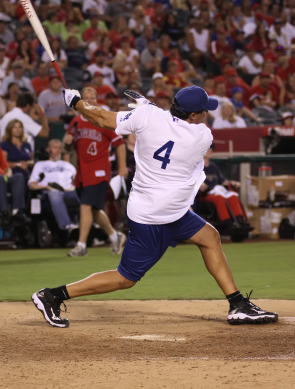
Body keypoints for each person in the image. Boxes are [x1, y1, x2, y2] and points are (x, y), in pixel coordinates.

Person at [31, 85, 278, 328]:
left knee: (210, 237)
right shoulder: (202, 135)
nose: (206, 114)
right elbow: (170, 125)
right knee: (125, 278)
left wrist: (77, 103)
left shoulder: (147, 117)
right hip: (153, 217)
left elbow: (102, 117)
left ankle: (237, 304)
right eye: (203, 111)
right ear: (192, 115)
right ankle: (52, 295)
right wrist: (150, 108)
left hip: (169, 211)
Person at [63, 87, 128, 257]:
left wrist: (122, 167)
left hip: (99, 171)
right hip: (82, 172)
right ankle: (115, 236)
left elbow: (119, 143)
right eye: (85, 98)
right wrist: (67, 142)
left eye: (92, 98)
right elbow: (68, 146)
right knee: (93, 210)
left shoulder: (101, 118)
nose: (89, 101)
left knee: (85, 205)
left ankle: (81, 245)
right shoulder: (75, 122)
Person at [28, 139, 79, 233]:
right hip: (50, 193)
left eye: (60, 148)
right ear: (48, 149)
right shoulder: (40, 165)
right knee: (54, 193)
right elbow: (32, 185)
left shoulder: (68, 165)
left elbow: (78, 181)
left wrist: (74, 187)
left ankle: (91, 224)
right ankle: (67, 226)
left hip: (69, 191)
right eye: (55, 148)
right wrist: (46, 187)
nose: (58, 151)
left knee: (83, 193)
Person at [198, 146, 249, 228]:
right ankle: (227, 222)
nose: (210, 151)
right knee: (219, 198)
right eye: (208, 150)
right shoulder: (197, 167)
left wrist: (232, 182)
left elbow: (222, 181)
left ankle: (239, 220)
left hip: (218, 191)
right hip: (206, 194)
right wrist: (200, 183)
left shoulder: (213, 166)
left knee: (232, 196)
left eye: (211, 150)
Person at [0, 146, 31, 227]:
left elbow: (5, 168)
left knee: (18, 177)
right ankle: (4, 213)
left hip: (3, 178)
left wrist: (6, 172)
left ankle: (17, 212)